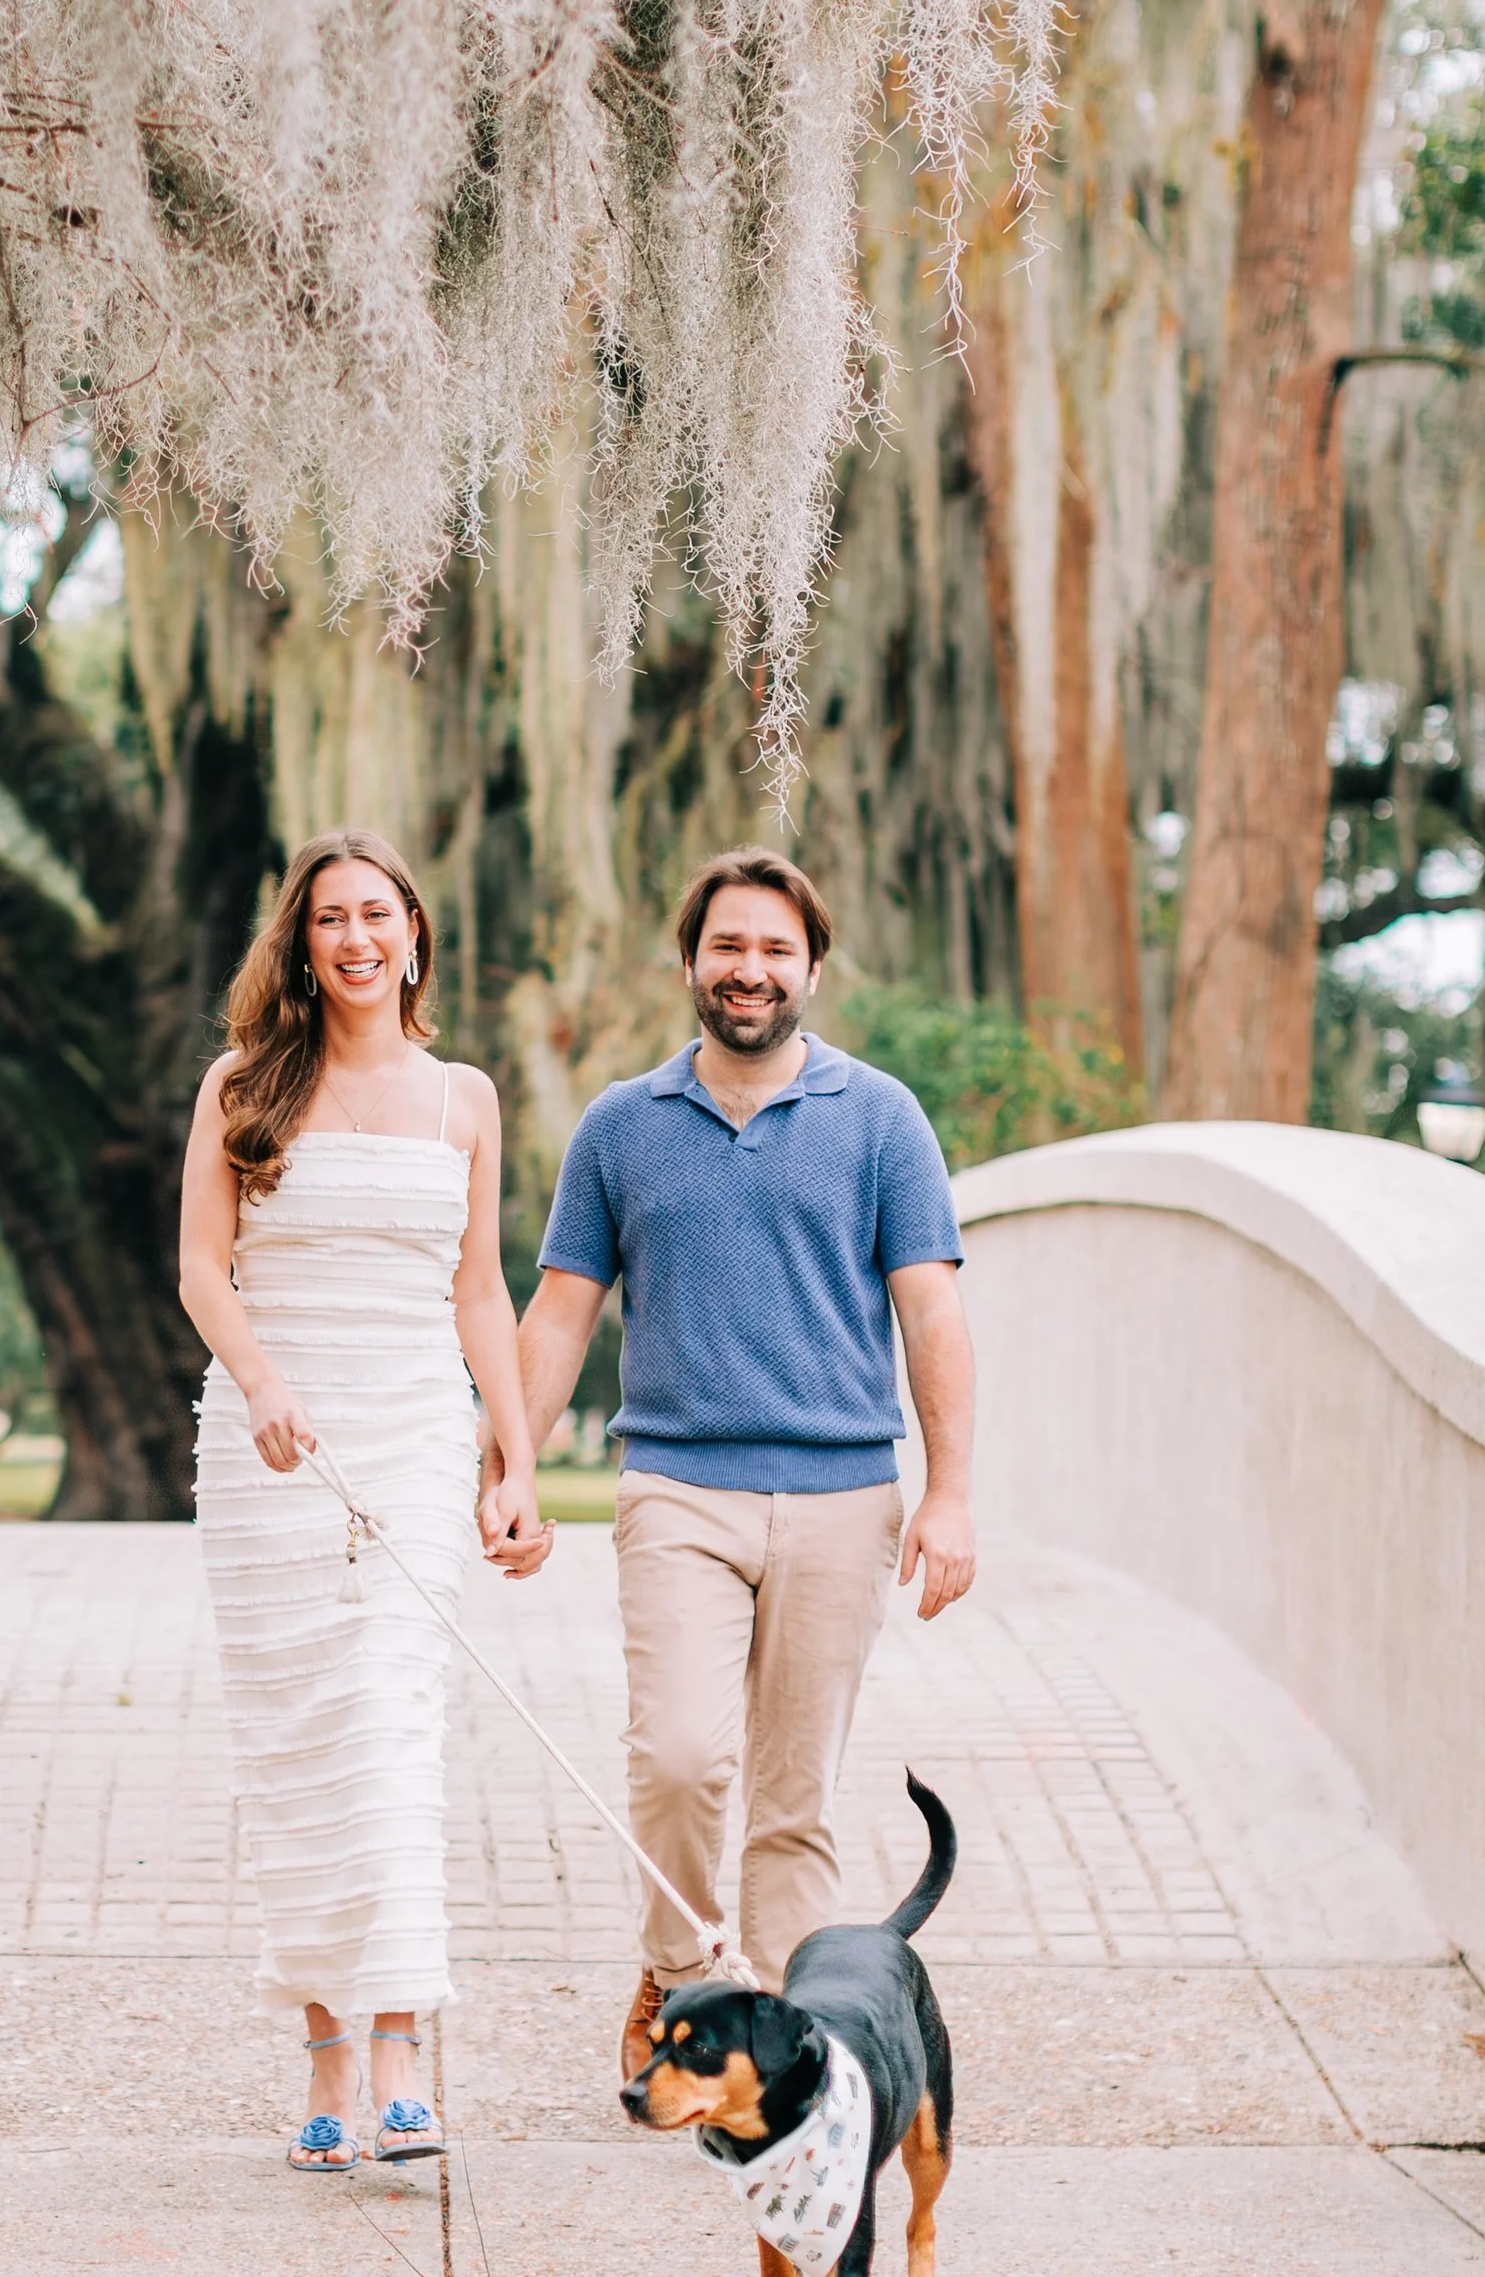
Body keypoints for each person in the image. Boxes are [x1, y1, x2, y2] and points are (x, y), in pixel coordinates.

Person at [484, 850, 976, 2077]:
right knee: (680, 1760)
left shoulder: (880, 1120)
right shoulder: (620, 1125)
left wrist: (952, 1493)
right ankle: (676, 1965)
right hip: (677, 1490)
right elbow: (557, 1315)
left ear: (811, 967)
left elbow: (932, 1314)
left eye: (772, 950)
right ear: (691, 963)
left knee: (793, 1796)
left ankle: (790, 2045)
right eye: (726, 948)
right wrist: (509, 1467)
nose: (748, 970)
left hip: (843, 1496)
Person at [180, 828, 553, 2174]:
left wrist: (510, 1458)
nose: (354, 938)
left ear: (413, 934)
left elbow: (478, 1289)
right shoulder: (242, 1086)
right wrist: (265, 1386)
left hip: (405, 1438)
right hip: (271, 1452)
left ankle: (402, 2043)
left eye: (376, 914)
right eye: (330, 917)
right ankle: (326, 2053)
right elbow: (203, 1270)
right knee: (303, 1747)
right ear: (302, 940)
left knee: (393, 1721)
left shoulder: (464, 1098)